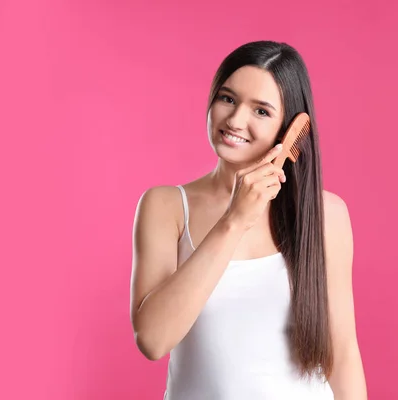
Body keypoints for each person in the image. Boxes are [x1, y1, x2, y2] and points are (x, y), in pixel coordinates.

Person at [130, 40, 367, 399]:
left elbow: (344, 352)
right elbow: (152, 339)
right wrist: (234, 220)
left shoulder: (327, 215)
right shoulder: (165, 206)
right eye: (227, 98)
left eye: (261, 111)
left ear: (289, 131)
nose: (236, 120)